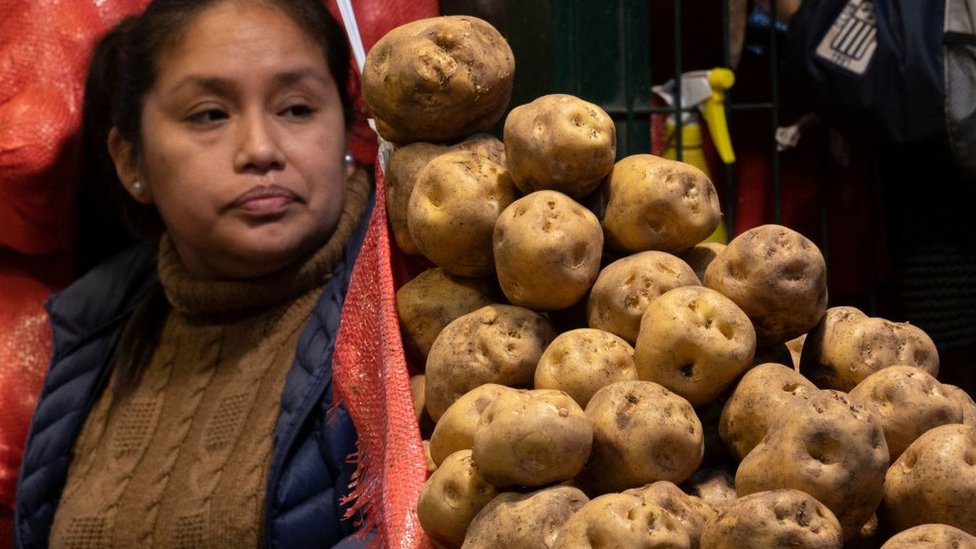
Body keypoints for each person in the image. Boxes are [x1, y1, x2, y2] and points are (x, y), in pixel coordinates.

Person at [13, 0, 376, 547]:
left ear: (348, 131)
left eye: (297, 109)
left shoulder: (405, 302)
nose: (260, 150)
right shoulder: (95, 330)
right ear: (131, 161)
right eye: (210, 114)